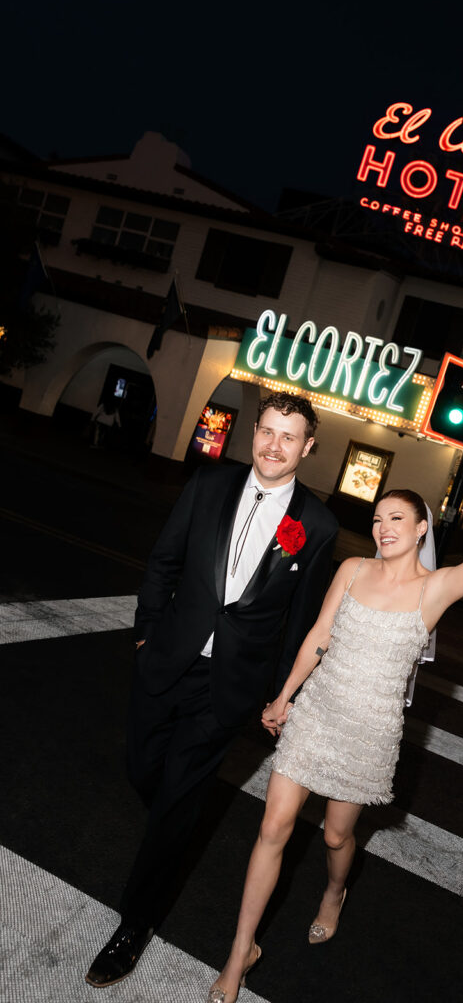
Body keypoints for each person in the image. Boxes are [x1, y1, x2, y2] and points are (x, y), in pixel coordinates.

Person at [208, 489, 463, 1003]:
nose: (384, 527)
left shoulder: (435, 589)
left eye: (397, 519)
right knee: (272, 825)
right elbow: (320, 634)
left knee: (336, 839)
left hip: (369, 731)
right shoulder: (352, 570)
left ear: (420, 530)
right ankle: (240, 952)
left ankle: (335, 890)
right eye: (377, 519)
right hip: (317, 713)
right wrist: (284, 696)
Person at [85, 392, 338, 988]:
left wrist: (280, 694)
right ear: (254, 431)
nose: (274, 445)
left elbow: (300, 622)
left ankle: (133, 927)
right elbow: (163, 561)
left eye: (288, 437)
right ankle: (171, 829)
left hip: (226, 689)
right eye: (267, 431)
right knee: (142, 769)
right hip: (167, 659)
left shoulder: (318, 526)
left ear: (308, 448)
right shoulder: (208, 485)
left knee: (175, 803)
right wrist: (147, 635)